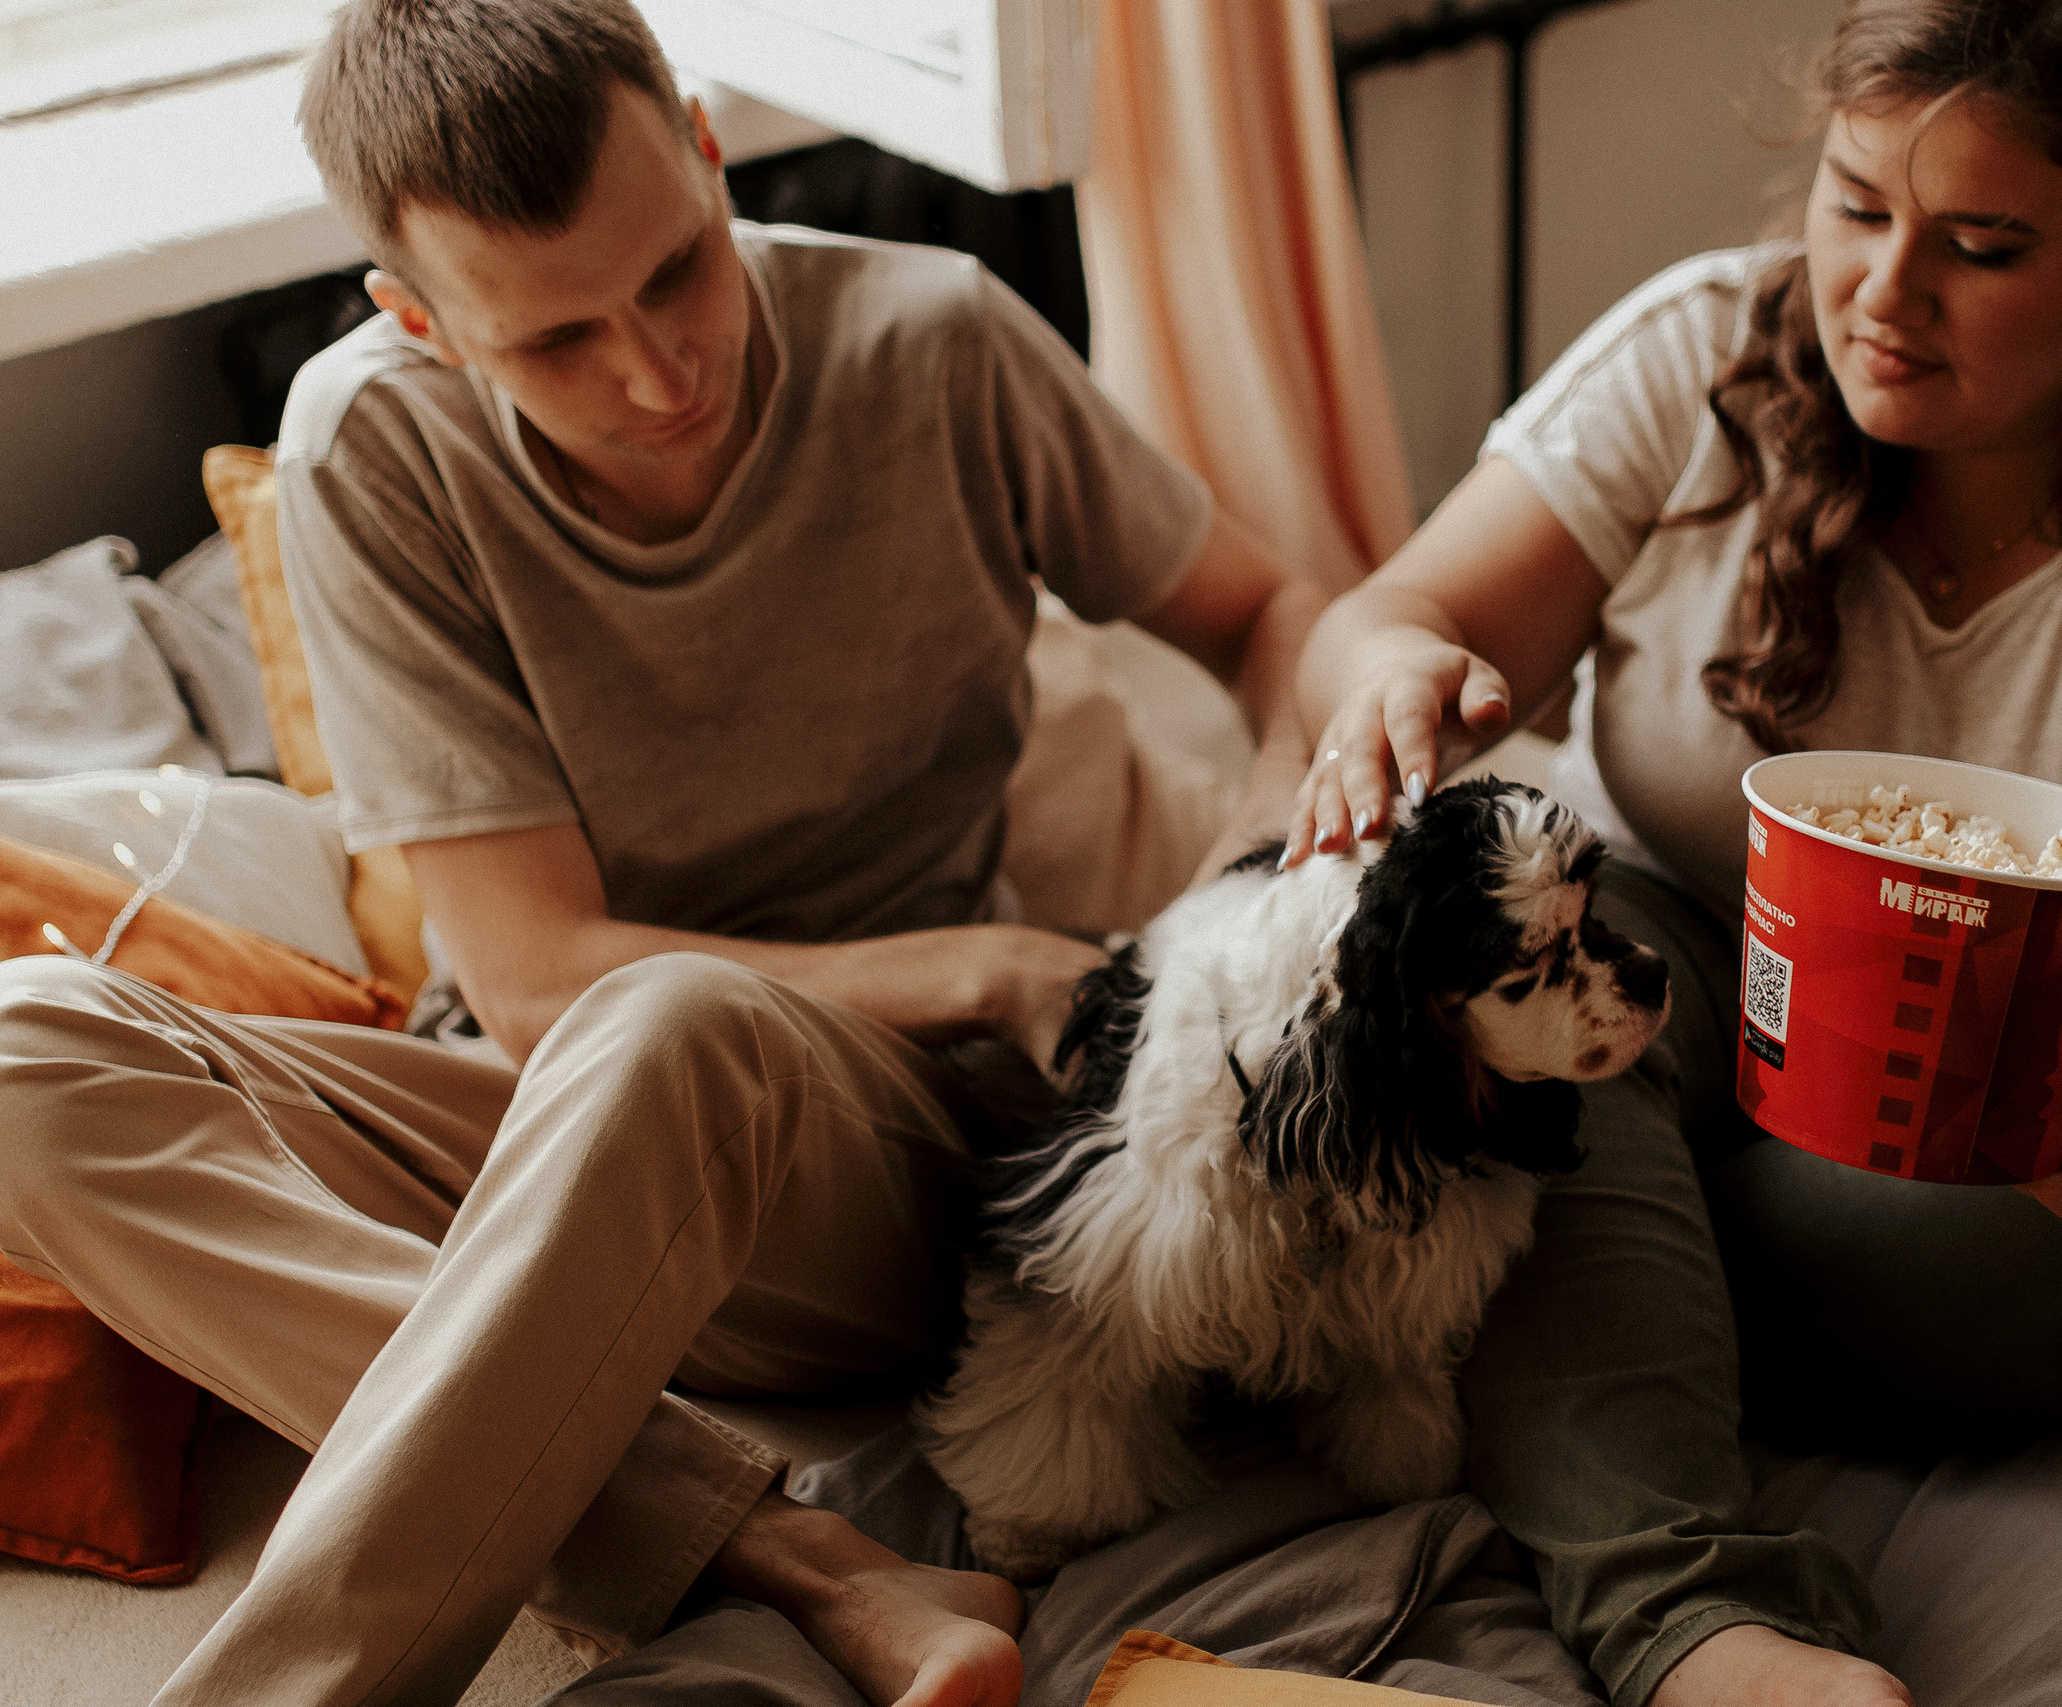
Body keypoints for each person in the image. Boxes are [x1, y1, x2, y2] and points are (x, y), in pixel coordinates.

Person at [0, 2, 1323, 1705]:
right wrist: (994, 964)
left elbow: (1271, 613)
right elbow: (533, 983)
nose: (657, 371)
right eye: (556, 340)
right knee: (23, 1059)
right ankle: (804, 1556)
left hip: (867, 1153)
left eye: (679, 270)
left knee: (668, 1022)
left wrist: (1242, 899)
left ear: (705, 149)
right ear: (422, 322)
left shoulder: (934, 338)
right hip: (533, 1132)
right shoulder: (372, 440)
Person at [1288, 1, 2062, 1703]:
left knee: (1934, 1256)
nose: (1884, 293)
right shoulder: (1702, 350)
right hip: (1691, 948)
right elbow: (1396, 614)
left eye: (1983, 247)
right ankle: (1695, 1621)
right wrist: (1393, 673)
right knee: (1516, 1047)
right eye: (1855, 205)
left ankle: (1599, 1288)